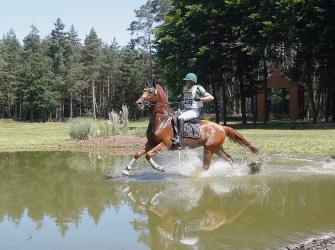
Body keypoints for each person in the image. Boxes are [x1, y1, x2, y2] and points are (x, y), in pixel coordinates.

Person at [172, 73, 214, 145]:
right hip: (186, 110)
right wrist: (178, 98)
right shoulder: (185, 88)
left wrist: (200, 98)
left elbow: (211, 97)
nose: (186, 82)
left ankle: (180, 138)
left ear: (192, 81)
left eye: (187, 81)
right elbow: (181, 96)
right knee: (173, 115)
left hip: (195, 111)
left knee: (180, 117)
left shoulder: (198, 88)